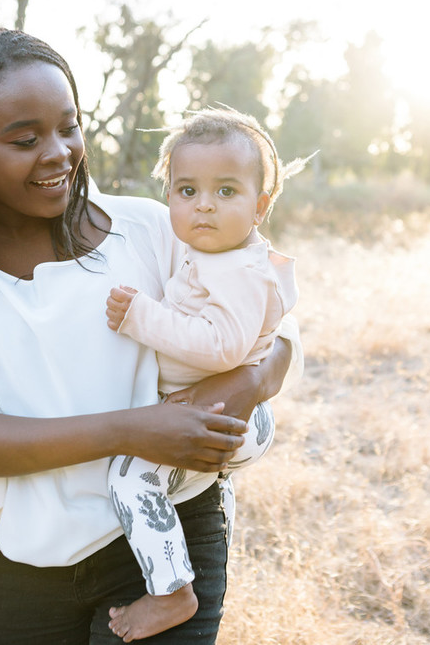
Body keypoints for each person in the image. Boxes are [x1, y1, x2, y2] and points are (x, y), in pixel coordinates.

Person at [0, 28, 303, 645]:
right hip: (16, 563)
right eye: (24, 139)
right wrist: (130, 430)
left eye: (69, 128)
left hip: (166, 540)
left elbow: (272, 321)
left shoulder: (150, 227)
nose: (58, 153)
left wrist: (249, 383)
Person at [105, 107, 307, 642]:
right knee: (189, 481)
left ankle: (171, 589)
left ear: (261, 206)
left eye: (225, 192)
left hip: (229, 411)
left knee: (131, 476)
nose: (204, 207)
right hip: (220, 410)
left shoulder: (239, 269)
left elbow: (224, 347)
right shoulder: (212, 256)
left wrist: (141, 316)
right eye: (187, 191)